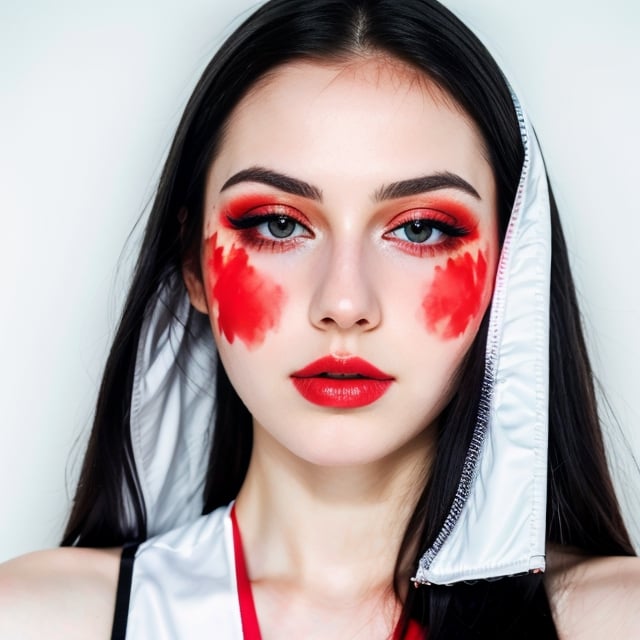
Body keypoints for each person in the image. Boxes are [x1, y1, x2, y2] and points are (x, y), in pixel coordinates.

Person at [0, 0, 638, 638]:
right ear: (193, 265)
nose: (344, 303)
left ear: (513, 268)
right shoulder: (37, 618)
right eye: (279, 224)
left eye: (419, 229)